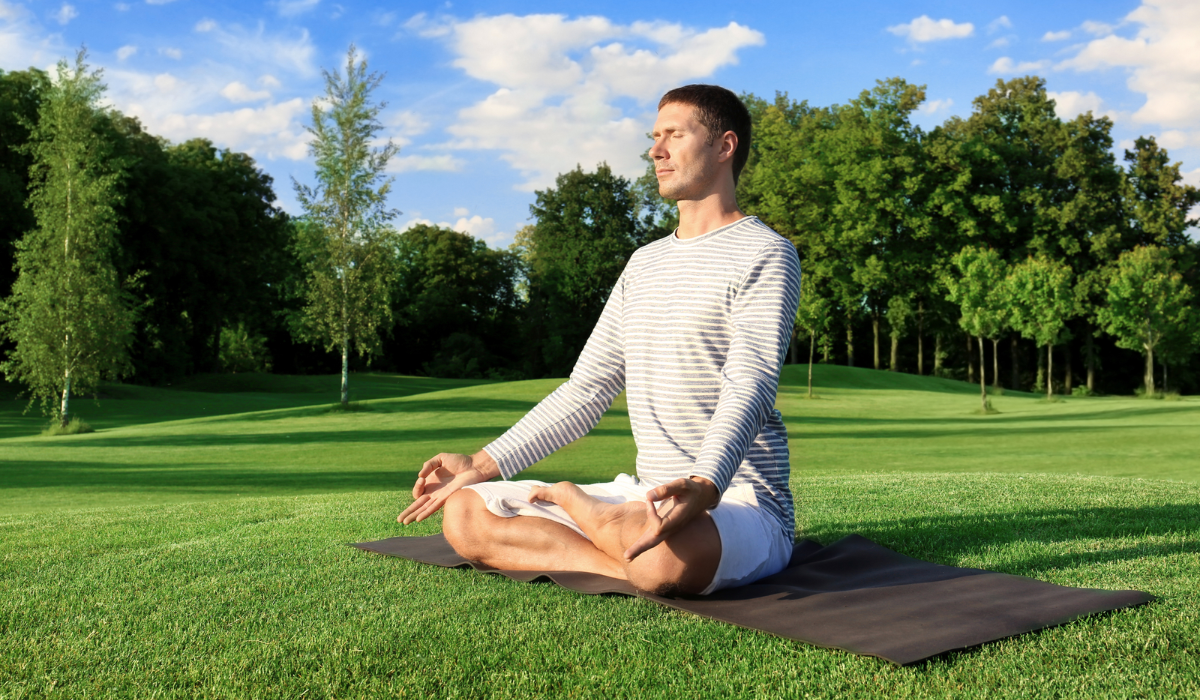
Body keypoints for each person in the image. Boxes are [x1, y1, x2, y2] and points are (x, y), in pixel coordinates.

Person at [397, 84, 801, 596]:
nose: (656, 151)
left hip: (738, 502)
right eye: (655, 138)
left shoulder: (766, 253)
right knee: (465, 514)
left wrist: (706, 483)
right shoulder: (644, 263)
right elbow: (587, 389)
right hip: (639, 496)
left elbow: (751, 381)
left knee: (669, 560)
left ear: (724, 146)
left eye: (674, 135)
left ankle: (615, 537)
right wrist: (479, 465)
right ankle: (621, 547)